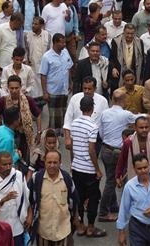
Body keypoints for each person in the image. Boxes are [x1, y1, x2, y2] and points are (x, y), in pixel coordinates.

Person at [98, 88, 139, 222]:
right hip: (117, 152)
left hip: (105, 149)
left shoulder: (104, 113)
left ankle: (113, 205)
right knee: (112, 181)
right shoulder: (125, 114)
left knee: (111, 176)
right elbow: (140, 119)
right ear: (122, 100)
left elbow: (101, 132)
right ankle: (103, 211)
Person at [68, 95, 106, 238]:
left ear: (80, 108)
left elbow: (71, 146)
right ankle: (90, 227)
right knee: (93, 198)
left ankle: (80, 225)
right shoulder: (93, 126)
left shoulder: (75, 123)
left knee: (79, 197)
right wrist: (97, 169)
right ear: (93, 108)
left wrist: (72, 162)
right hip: (89, 169)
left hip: (77, 167)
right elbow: (91, 149)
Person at [26, 150, 81, 245]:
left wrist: (76, 219)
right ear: (44, 162)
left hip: (64, 230)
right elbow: (29, 199)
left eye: (55, 162)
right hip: (43, 231)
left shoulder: (67, 179)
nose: (52, 165)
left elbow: (74, 200)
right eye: (49, 162)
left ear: (60, 163)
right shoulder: (37, 179)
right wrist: (30, 215)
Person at [0, 152, 29, 246]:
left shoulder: (18, 175)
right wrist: (4, 199)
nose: (8, 167)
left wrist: (29, 215)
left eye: (10, 164)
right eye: (4, 164)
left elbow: (26, 197)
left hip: (17, 226)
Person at [117, 115, 150, 185]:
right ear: (135, 128)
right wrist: (118, 175)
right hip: (133, 179)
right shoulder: (128, 142)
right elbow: (122, 160)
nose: (144, 130)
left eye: (146, 127)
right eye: (141, 127)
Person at [40, 33, 74, 129]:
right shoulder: (47, 57)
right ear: (55, 43)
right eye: (62, 43)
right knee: (53, 116)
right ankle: (52, 136)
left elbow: (68, 68)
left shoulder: (65, 52)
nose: (64, 44)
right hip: (53, 91)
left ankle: (61, 133)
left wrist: (70, 82)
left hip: (64, 90)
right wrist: (45, 92)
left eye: (64, 42)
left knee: (63, 113)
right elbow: (43, 75)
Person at [0, 106, 21, 174]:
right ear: (14, 121)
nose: (20, 120)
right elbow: (4, 163)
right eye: (19, 118)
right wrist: (17, 156)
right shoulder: (7, 140)